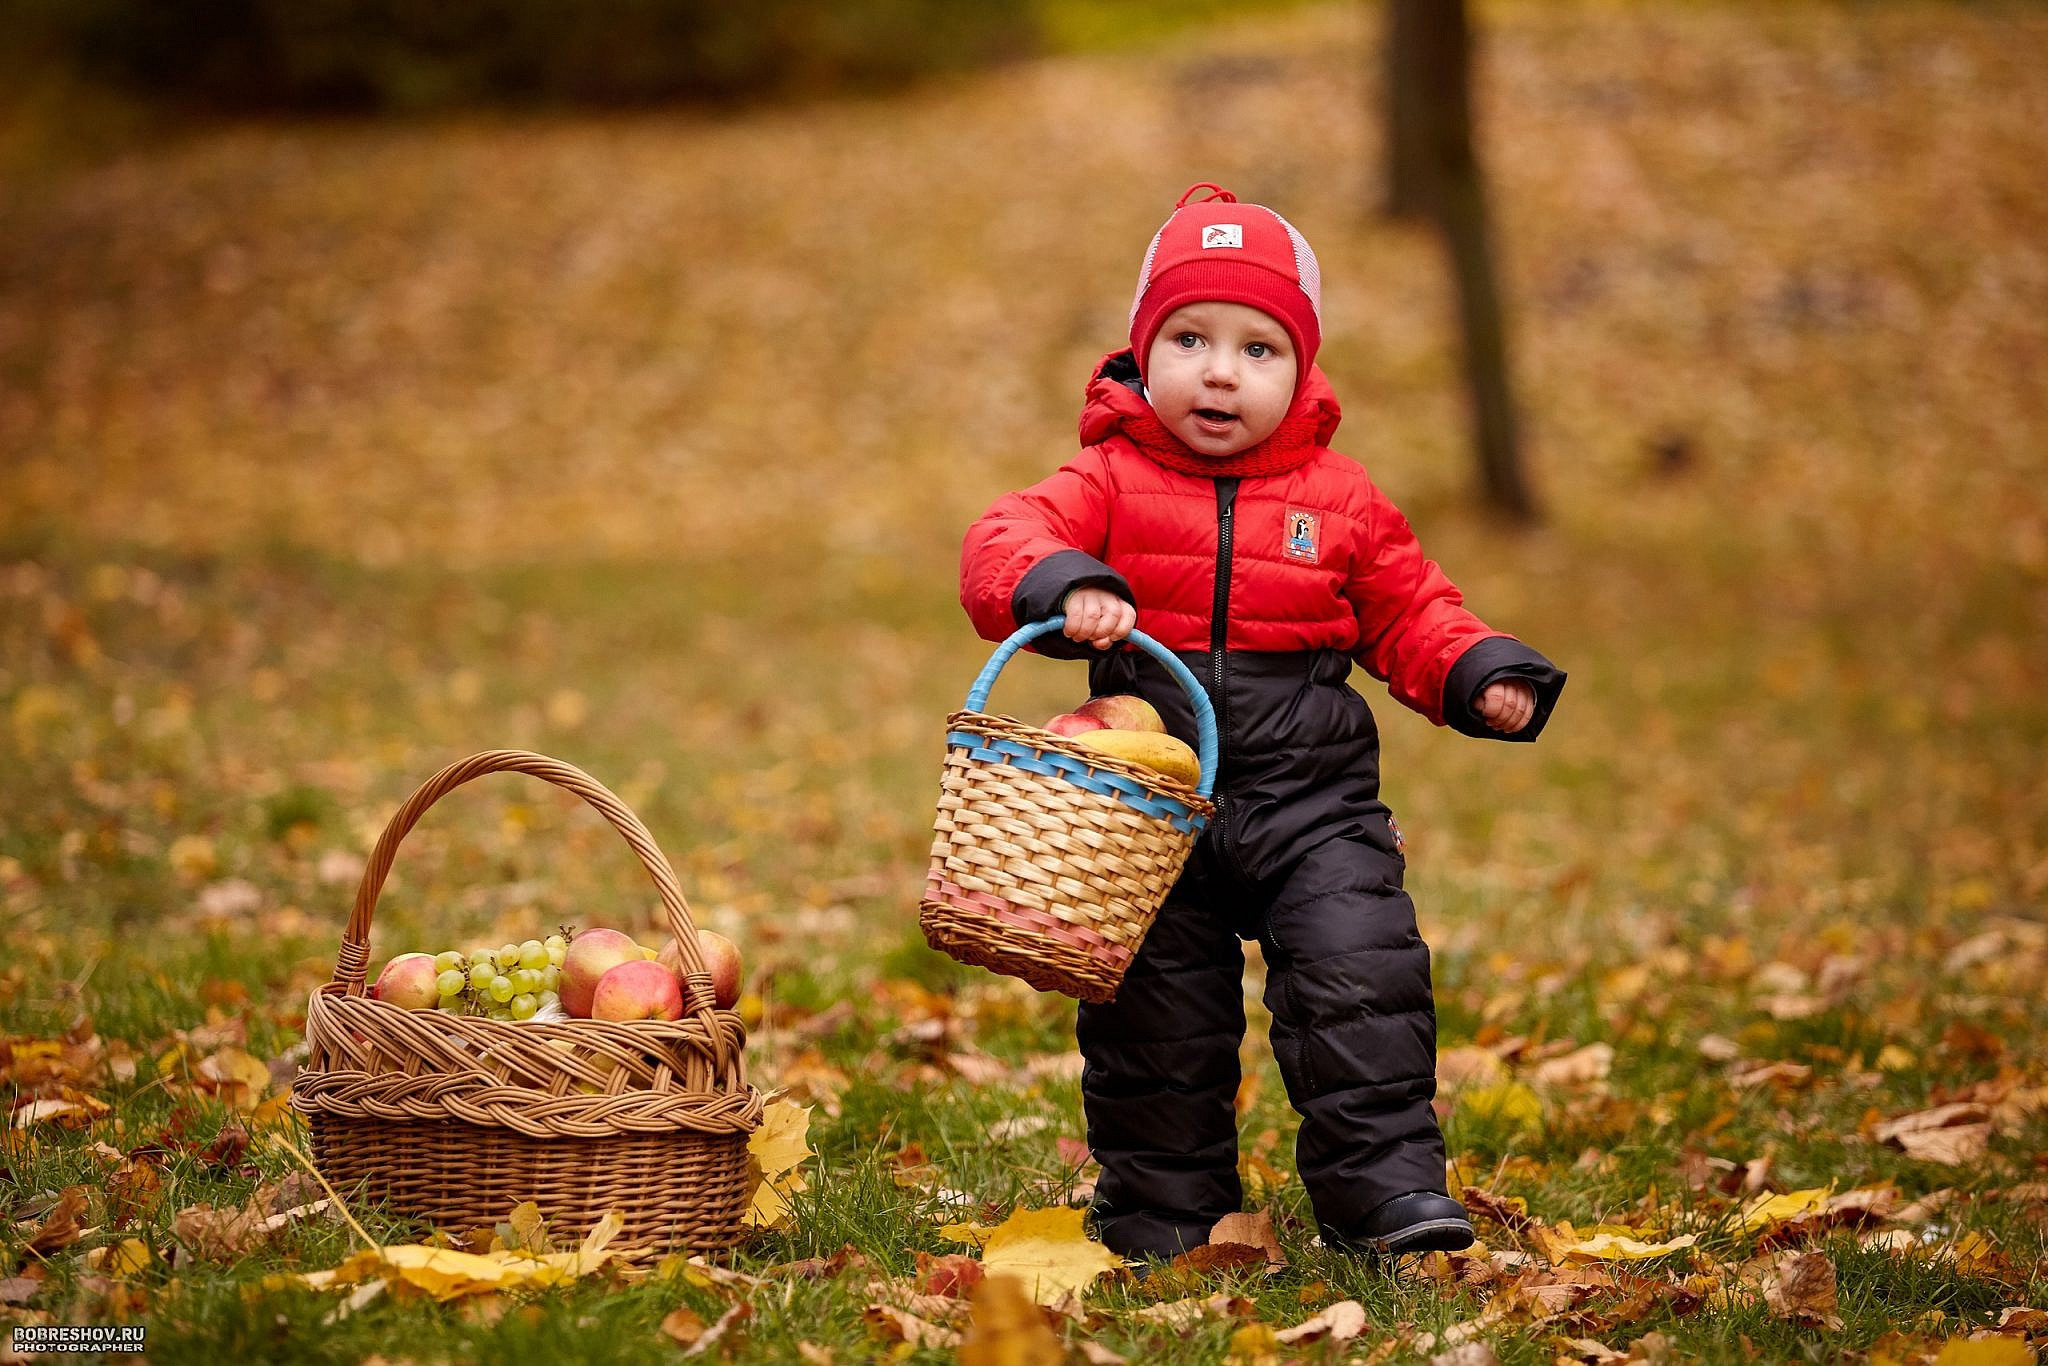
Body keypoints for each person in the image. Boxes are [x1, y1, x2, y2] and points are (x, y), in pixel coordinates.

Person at [957, 183, 1566, 1262]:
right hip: (1149, 810)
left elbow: (1410, 606)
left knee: (1361, 977)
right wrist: (1062, 581)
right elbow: (1006, 533)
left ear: (1302, 370)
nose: (1220, 371)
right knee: (1155, 1021)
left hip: (1310, 804)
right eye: (1187, 338)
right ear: (1143, 353)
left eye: (1257, 347)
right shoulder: (1106, 477)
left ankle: (1381, 1193)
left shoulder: (1339, 498)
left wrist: (1475, 669)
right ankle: (1162, 1207)